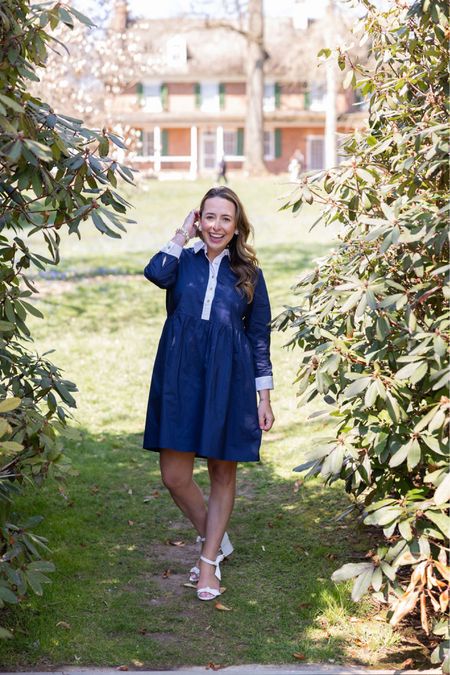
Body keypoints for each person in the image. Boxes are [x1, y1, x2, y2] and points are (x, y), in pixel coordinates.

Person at [143, 186, 275, 601]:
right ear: (199, 219)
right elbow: (155, 274)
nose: (217, 226)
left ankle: (208, 561)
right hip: (180, 374)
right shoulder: (179, 262)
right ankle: (214, 536)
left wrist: (264, 396)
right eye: (209, 217)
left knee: (222, 471)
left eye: (226, 219)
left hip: (229, 378)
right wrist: (182, 234)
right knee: (175, 475)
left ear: (237, 227)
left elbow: (258, 337)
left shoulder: (249, 274)